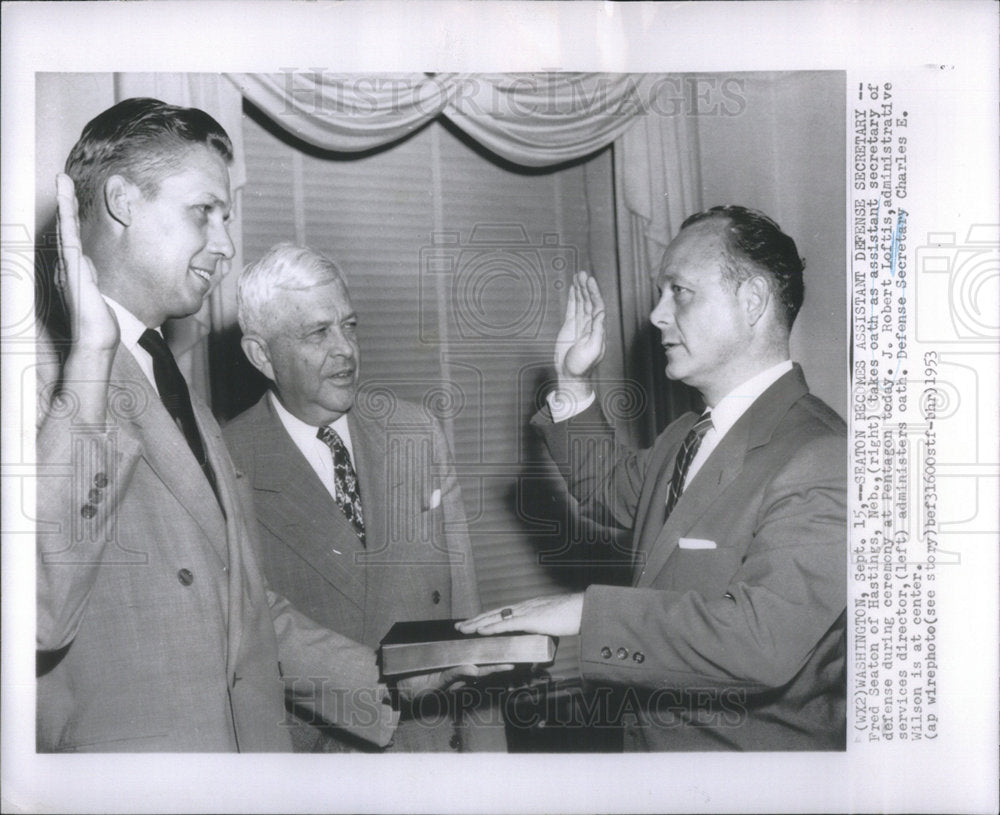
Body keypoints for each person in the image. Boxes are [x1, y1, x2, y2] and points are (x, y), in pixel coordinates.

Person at [35, 98, 450, 752]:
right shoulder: (46, 376)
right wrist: (89, 356)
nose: (226, 245)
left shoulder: (178, 392)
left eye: (226, 218)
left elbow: (243, 609)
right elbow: (37, 609)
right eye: (204, 211)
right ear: (122, 202)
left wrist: (393, 675)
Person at [460, 206, 847, 751]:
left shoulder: (824, 454)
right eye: (660, 294)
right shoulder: (687, 434)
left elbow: (762, 640)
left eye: (679, 292)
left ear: (753, 300)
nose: (657, 315)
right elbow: (609, 489)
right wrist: (572, 380)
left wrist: (587, 612)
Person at [223, 243, 507, 752]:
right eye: (318, 333)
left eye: (349, 326)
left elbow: (467, 617)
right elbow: (252, 633)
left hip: (433, 751)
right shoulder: (227, 461)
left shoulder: (415, 432)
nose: (345, 350)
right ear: (261, 355)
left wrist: (490, 767)